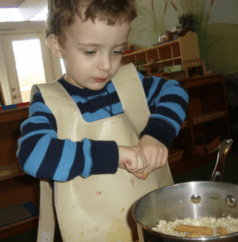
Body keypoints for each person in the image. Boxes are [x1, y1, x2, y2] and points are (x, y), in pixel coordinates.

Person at [17, 0, 189, 241]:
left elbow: (175, 91)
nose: (107, 65)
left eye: (117, 50)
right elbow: (33, 155)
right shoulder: (48, 103)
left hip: (152, 223)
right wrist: (114, 155)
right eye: (90, 51)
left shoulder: (131, 84)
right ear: (57, 45)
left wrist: (156, 135)